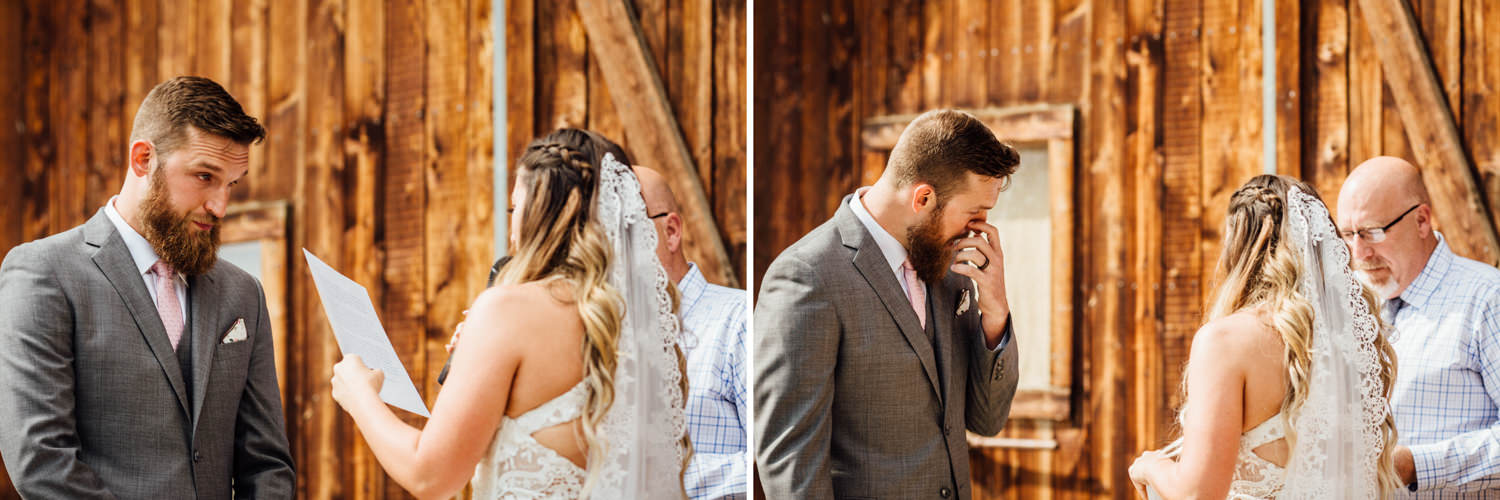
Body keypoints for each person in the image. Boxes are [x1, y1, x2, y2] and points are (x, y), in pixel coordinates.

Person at [330, 129, 691, 499]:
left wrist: (360, 394)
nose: (512, 230)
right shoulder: (640, 328)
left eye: (514, 209)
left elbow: (430, 477)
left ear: (542, 214)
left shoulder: (508, 311)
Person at [0, 76, 296, 498]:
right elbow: (42, 462)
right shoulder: (44, 273)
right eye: (204, 176)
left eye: (232, 183)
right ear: (143, 159)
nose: (220, 206)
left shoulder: (243, 293)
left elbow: (267, 465)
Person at [754, 109, 1021, 499]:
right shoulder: (807, 276)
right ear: (924, 197)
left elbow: (986, 419)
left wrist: (994, 312)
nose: (980, 229)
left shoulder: (951, 265)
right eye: (973, 213)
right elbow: (790, 462)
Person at [1129, 175, 1401, 499]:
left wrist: (1149, 466)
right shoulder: (1349, 342)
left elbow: (1197, 494)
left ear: (1240, 247)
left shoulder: (1224, 341)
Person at [1337, 156, 1500, 496]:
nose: (1359, 252)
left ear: (1422, 220)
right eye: (1348, 235)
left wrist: (1414, 465)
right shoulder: (1343, 301)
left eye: (1372, 232)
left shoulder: (1487, 299)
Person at [636, 166, 749, 500]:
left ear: (670, 231)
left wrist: (660, 483)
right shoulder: (598, 335)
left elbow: (773, 458)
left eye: (623, 229)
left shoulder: (738, 319)